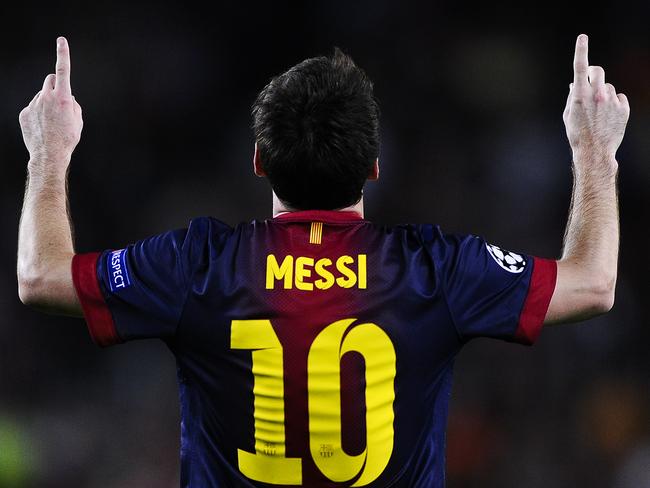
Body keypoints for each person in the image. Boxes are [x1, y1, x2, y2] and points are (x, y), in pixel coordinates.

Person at [17, 35, 629, 487]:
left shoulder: (198, 264)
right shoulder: (434, 269)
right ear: (374, 167)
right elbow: (593, 286)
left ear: (258, 161)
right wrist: (594, 150)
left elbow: (41, 277)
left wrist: (49, 153)